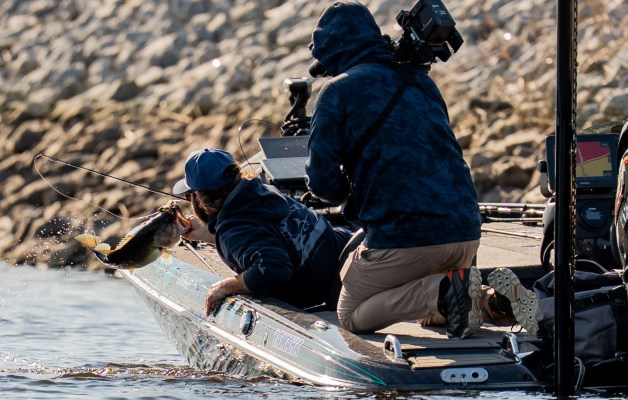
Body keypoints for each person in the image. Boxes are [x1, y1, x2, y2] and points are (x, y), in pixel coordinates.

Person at [304, 2, 537, 338]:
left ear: (331, 51)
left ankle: (447, 290)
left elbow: (322, 184)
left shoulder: (336, 91)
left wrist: (349, 187)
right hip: (465, 232)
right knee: (434, 314)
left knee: (351, 313)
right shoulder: (421, 82)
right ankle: (493, 300)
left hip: (405, 237)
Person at [172, 148, 352, 315]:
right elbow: (267, 234)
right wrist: (211, 234)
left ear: (199, 197)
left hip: (340, 287)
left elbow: (273, 269)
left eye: (189, 195)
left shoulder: (233, 231)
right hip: (347, 250)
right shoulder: (263, 191)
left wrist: (227, 286)